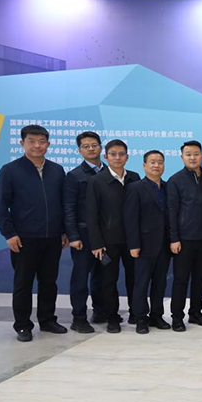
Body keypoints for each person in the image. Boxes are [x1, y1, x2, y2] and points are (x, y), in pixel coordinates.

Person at [0, 124, 68, 342]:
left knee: (49, 282)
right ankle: (23, 325)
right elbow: (0, 204)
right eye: (32, 141)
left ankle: (47, 320)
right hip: (24, 238)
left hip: (52, 237)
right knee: (23, 283)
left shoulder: (57, 170)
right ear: (22, 143)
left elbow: (63, 203)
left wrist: (64, 230)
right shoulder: (10, 170)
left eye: (42, 142)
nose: (37, 146)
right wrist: (9, 233)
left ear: (48, 144)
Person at [86, 139, 140, 334]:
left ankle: (136, 312)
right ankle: (112, 317)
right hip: (108, 242)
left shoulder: (134, 177)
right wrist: (96, 242)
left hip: (132, 240)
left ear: (127, 157)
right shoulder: (96, 181)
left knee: (135, 278)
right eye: (113, 154)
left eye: (121, 154)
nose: (117, 158)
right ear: (106, 156)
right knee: (109, 281)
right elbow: (91, 214)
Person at [167, 140, 202, 331]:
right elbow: (172, 212)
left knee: (200, 279)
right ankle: (177, 317)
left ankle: (195, 313)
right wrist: (174, 238)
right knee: (180, 280)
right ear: (182, 157)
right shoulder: (175, 180)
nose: (192, 157)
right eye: (188, 154)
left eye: (196, 154)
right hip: (183, 240)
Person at [125, 151, 172, 334]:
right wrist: (133, 244)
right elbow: (130, 219)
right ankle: (141, 318)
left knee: (160, 283)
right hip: (143, 245)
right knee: (141, 283)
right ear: (144, 166)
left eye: (160, 162)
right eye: (152, 162)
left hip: (164, 245)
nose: (156, 166)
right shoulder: (135, 188)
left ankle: (156, 315)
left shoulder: (168, 187)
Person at [64, 131, 106, 333]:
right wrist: (73, 236)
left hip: (106, 235)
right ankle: (79, 318)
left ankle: (100, 311)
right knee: (80, 278)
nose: (91, 149)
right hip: (83, 235)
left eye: (94, 145)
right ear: (79, 150)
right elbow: (69, 208)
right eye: (86, 146)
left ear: (101, 147)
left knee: (102, 276)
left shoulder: (110, 172)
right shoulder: (74, 176)